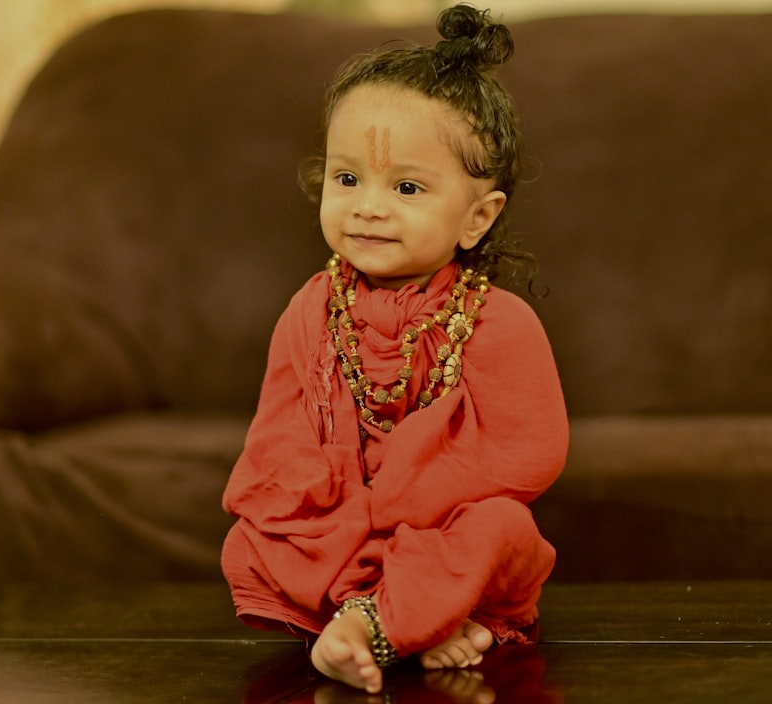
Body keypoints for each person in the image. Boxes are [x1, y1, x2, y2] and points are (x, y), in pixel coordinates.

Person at [221, 4, 568, 695]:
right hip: (337, 527)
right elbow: (278, 433)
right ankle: (404, 619)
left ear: (478, 217)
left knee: (500, 528)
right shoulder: (309, 310)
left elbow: (530, 454)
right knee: (245, 544)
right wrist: (333, 504)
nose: (369, 206)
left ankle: (369, 625)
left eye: (406, 188)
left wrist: (403, 504)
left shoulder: (500, 322)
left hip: (439, 529)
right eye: (348, 179)